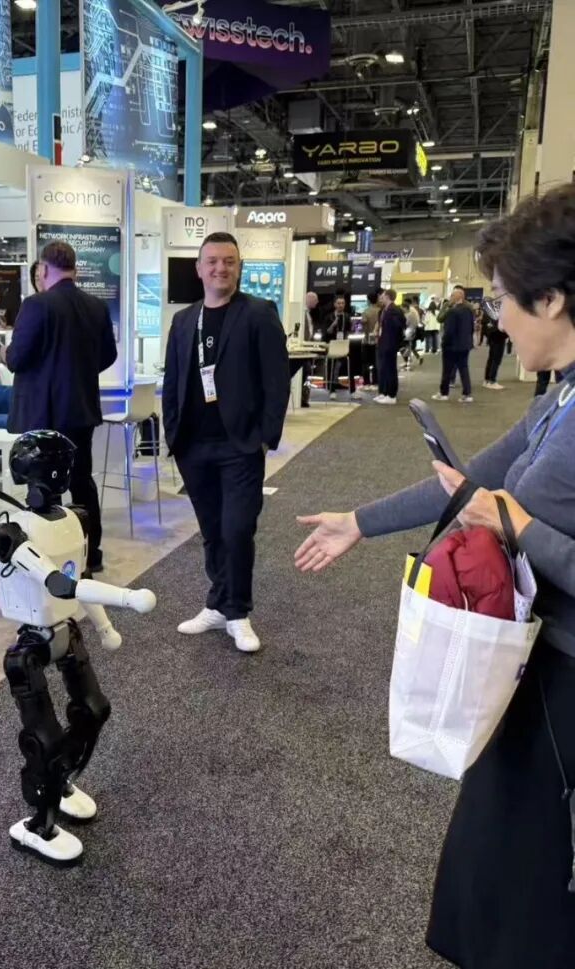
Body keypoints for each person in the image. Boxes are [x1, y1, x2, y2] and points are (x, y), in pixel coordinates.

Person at [294, 181, 575, 968]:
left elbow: (501, 506)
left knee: (531, 888)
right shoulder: (559, 399)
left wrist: (516, 524)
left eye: (504, 300)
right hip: (533, 665)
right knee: (496, 869)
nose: (497, 318)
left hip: (565, 691)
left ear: (552, 299)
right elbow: (473, 480)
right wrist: (359, 521)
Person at [162, 232, 290, 653]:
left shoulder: (258, 313)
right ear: (199, 269)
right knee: (213, 531)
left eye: (229, 261)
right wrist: (173, 433)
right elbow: (173, 380)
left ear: (239, 268)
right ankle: (218, 604)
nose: (221, 268)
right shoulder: (185, 320)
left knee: (237, 529)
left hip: (240, 445)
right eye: (213, 261)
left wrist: (265, 438)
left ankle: (238, 612)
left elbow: (276, 381)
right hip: (193, 446)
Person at [5, 240, 116, 573]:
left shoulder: (36, 305)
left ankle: (50, 558)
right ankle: (91, 554)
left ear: (42, 269)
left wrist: (6, 353)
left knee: (43, 489)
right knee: (82, 482)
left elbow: (17, 358)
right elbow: (108, 355)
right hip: (80, 410)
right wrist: (79, 372)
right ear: (75, 270)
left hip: (43, 415)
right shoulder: (97, 307)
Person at [435, 285, 475, 402]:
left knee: (447, 370)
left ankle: (444, 393)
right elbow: (471, 328)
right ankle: (467, 394)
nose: (450, 297)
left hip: (451, 346)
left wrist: (444, 343)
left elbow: (449, 331)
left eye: (452, 295)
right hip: (465, 345)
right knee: (464, 369)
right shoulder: (468, 311)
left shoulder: (452, 311)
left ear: (457, 297)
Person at [374, 288, 404, 404]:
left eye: (382, 296)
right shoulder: (384, 310)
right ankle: (384, 392)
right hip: (383, 342)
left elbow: (398, 327)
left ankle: (391, 395)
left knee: (390, 369)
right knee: (383, 368)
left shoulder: (395, 310)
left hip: (390, 344)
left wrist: (395, 341)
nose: (380, 298)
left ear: (387, 296)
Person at [482, 303, 509, 389]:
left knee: (491, 358)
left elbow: (484, 324)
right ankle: (492, 380)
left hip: (492, 336)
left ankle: (487, 380)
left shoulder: (488, 311)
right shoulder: (500, 311)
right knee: (496, 360)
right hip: (499, 337)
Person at [360, 289, 381, 388]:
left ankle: (367, 382)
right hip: (377, 340)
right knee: (376, 362)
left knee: (365, 362)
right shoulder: (380, 311)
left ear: (368, 300)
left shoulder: (366, 312)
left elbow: (363, 326)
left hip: (367, 340)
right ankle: (376, 381)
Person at [401, 297, 423, 369]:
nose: (402, 309)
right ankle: (415, 359)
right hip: (414, 330)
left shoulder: (410, 313)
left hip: (410, 332)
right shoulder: (413, 310)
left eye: (402, 308)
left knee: (406, 347)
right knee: (411, 347)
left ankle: (407, 362)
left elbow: (406, 323)